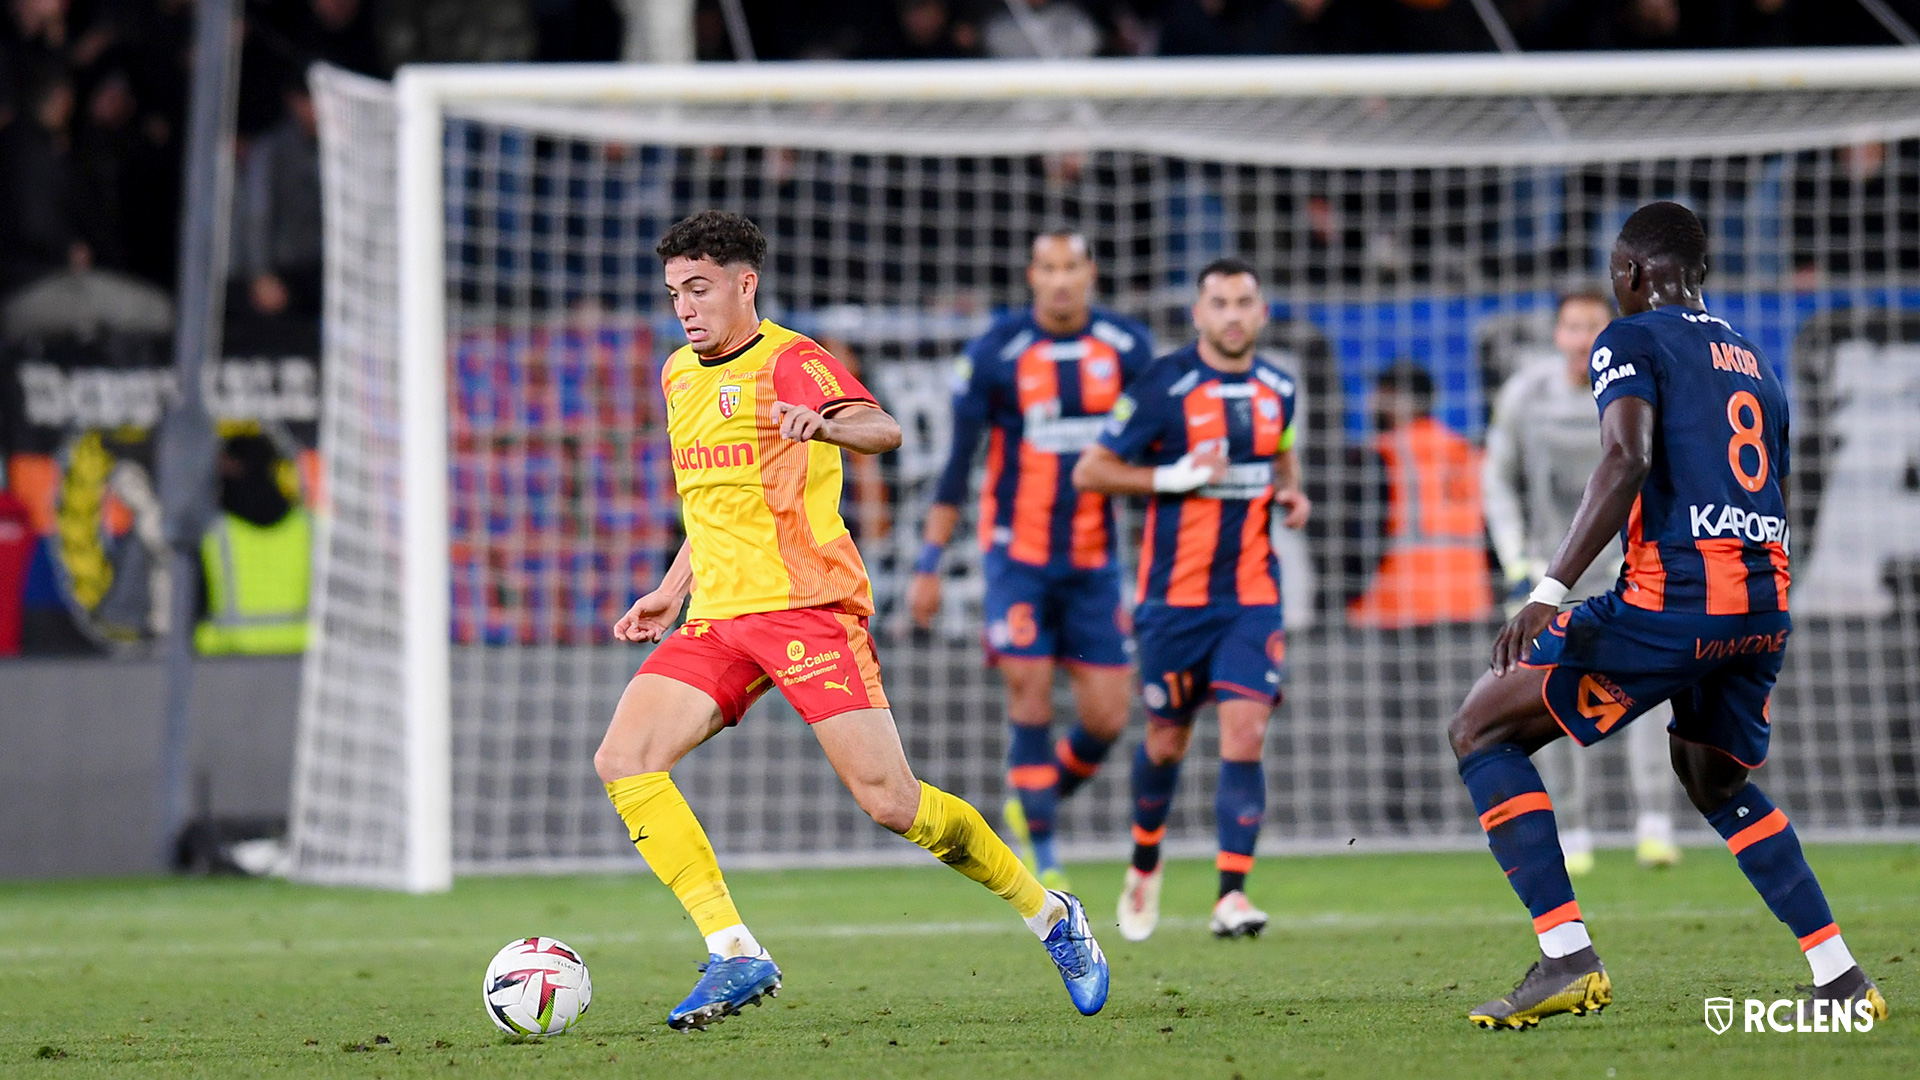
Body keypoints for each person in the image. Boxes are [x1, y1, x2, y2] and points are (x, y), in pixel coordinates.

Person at [594, 211, 1108, 1031]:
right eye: (673, 293)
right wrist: (672, 587)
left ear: (743, 283)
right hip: (720, 616)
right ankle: (734, 952)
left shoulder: (791, 360)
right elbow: (716, 504)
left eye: (698, 288)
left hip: (806, 610)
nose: (685, 308)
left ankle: (1050, 914)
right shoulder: (678, 376)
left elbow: (885, 427)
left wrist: (825, 420)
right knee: (625, 757)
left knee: (891, 802)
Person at [1447, 201, 1888, 1028]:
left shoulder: (1630, 338)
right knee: (1714, 778)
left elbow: (1626, 457)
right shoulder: (1755, 359)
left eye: (1617, 274)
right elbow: (1775, 486)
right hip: (1763, 600)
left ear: (1635, 274)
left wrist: (1548, 590)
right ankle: (1841, 979)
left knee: (1480, 729)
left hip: (1679, 598)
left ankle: (1566, 956)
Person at [1073, 257, 1311, 941]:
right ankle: (1145, 859)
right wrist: (1175, 474)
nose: (1233, 315)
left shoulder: (1279, 388)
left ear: (1262, 312)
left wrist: (1291, 490)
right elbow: (1093, 468)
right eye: (1220, 303)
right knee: (1167, 741)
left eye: (1245, 302)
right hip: (1172, 603)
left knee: (1246, 731)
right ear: (1198, 314)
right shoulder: (1164, 385)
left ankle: (1231, 894)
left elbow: (1281, 452)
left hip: (1251, 597)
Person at [909, 231, 1155, 889]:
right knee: (1030, 695)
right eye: (1048, 268)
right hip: (1016, 557)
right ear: (1031, 275)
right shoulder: (996, 351)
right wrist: (929, 562)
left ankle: (1035, 800)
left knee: (1107, 717)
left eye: (1072, 267)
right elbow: (957, 467)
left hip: (1095, 563)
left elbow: (1159, 448)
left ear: (1091, 273)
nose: (1061, 281)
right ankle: (1044, 858)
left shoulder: (1129, 348)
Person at [1482, 290, 1680, 874]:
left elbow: (1662, 474)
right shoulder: (1526, 394)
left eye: (1594, 326)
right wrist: (1516, 559)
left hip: (1629, 571)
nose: (1583, 338)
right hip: (1549, 577)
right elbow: (1496, 479)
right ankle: (1570, 827)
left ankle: (1655, 823)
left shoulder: (1638, 388)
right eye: (1572, 326)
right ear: (1557, 334)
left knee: (1648, 691)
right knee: (1549, 697)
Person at [1346, 362, 1491, 627]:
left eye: (1383, 393)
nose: (1372, 402)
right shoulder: (1469, 452)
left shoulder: (1382, 453)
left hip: (1397, 609)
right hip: (1470, 607)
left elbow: (1362, 538)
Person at [195, 435, 311, 655]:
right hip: (299, 664)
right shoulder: (309, 528)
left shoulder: (213, 534)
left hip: (227, 667)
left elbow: (192, 611)